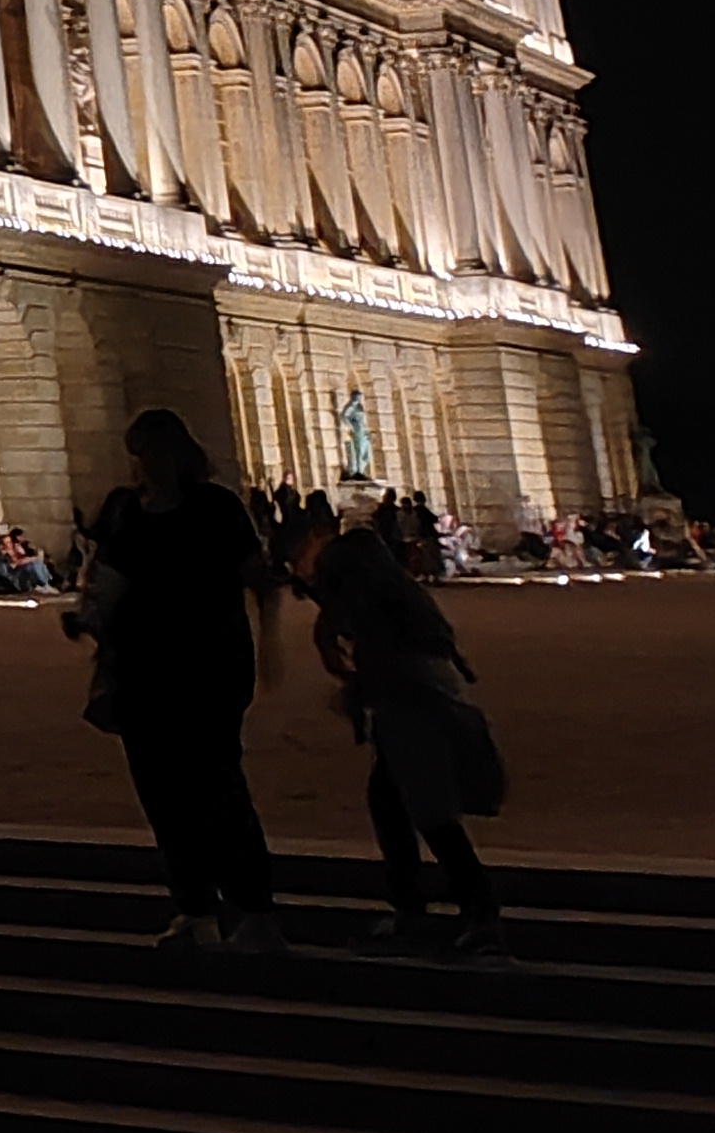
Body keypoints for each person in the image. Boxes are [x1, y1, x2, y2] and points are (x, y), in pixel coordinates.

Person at [71, 408, 287, 955]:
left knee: (217, 789)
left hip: (206, 666)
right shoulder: (129, 512)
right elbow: (107, 583)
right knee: (162, 794)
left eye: (148, 452)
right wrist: (90, 621)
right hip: (142, 670)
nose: (142, 464)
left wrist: (270, 642)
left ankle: (253, 907)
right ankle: (195, 906)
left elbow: (256, 577)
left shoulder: (215, 508)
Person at [302, 510, 508, 958]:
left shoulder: (377, 615)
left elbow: (385, 671)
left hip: (413, 721)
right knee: (393, 809)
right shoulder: (400, 598)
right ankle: (421, 909)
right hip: (416, 715)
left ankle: (476, 916)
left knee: (430, 818)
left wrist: (349, 678)